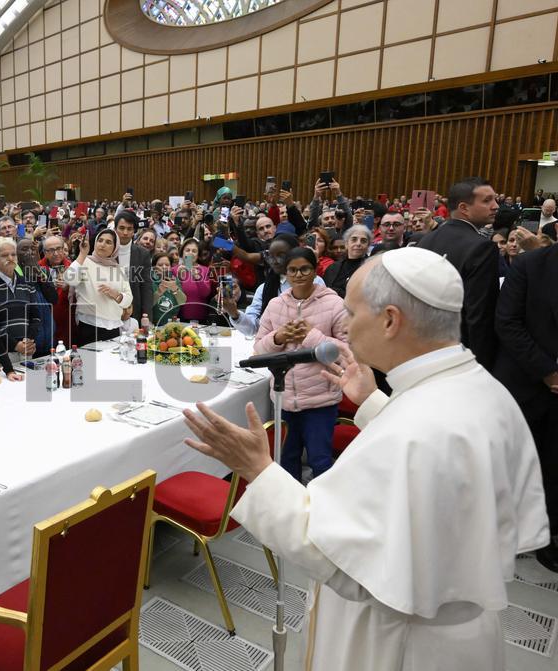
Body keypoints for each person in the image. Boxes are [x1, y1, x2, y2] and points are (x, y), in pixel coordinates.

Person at [183, 247, 548, 671]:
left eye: (353, 315)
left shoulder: (420, 427)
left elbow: (334, 551)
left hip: (398, 642)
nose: (347, 329)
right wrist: (373, 402)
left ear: (391, 320)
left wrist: (258, 471)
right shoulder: (476, 386)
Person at [253, 248, 348, 480]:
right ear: (285, 274)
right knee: (287, 460)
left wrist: (311, 335)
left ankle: (322, 511)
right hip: (284, 399)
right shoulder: (276, 305)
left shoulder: (335, 304)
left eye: (304, 268)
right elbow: (257, 350)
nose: (299, 275)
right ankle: (292, 510)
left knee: (320, 460)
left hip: (320, 400)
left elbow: (347, 353)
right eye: (292, 270)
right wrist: (279, 337)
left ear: (315, 270)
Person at [493, 243, 558, 571]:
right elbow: (507, 322)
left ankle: (549, 533)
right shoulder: (530, 265)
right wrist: (548, 372)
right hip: (527, 384)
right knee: (517, 463)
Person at [418, 177, 499, 369]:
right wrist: (482, 366)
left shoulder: (426, 241)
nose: (495, 206)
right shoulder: (482, 248)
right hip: (459, 353)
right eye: (487, 201)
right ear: (464, 208)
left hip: (422, 348)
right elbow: (480, 314)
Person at [65, 228, 133, 345]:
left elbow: (128, 299)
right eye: (100, 240)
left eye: (108, 242)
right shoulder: (85, 262)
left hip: (114, 326)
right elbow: (70, 279)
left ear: (115, 248)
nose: (103, 244)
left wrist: (116, 295)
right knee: (90, 362)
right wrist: (82, 254)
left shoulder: (119, 269)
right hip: (89, 324)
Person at [0, 237, 40, 359]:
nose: (11, 259)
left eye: (13, 254)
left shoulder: (26, 282)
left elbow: (35, 316)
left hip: (27, 349)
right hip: (1, 353)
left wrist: (29, 341)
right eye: (5, 255)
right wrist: (15, 345)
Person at [113, 211, 153, 323]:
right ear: (115, 229)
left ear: (134, 231)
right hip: (110, 308)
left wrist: (147, 317)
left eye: (129, 229)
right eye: (121, 228)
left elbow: (146, 287)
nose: (125, 232)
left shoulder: (143, 254)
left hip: (134, 309)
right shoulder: (107, 250)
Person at [323, 225, 372, 298]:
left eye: (363, 241)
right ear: (346, 244)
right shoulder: (332, 268)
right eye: (354, 239)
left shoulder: (372, 268)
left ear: (368, 246)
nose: (358, 243)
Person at [174, 238, 214, 323]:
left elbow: (205, 293)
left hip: (199, 316)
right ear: (182, 253)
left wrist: (197, 277)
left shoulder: (205, 270)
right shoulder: (174, 270)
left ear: (198, 254)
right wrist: (178, 277)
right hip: (178, 315)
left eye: (194, 251)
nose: (190, 253)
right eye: (187, 250)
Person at [151, 252, 186, 326]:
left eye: (167, 265)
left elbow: (182, 302)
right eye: (160, 265)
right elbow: (148, 305)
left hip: (172, 324)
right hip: (154, 324)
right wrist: (159, 292)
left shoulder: (175, 280)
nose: (164, 267)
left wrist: (175, 289)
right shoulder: (150, 281)